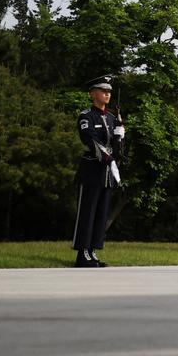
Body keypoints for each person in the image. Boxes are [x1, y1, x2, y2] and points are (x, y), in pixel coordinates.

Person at [73, 75, 125, 268]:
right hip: (92, 169)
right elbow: (90, 139)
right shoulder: (86, 116)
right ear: (92, 94)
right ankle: (82, 252)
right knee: (87, 212)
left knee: (101, 212)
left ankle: (93, 250)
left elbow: (118, 148)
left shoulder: (112, 118)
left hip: (107, 172)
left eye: (109, 91)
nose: (107, 94)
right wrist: (108, 158)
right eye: (103, 91)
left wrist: (120, 137)